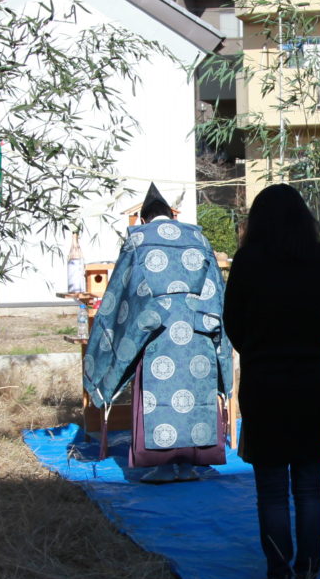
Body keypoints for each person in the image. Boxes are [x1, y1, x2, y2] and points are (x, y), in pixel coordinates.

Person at [223, 185, 320, 579]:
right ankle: (309, 575)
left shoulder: (248, 261)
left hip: (264, 383)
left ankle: (278, 575)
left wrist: (259, 348)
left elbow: (233, 324)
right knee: (310, 485)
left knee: (272, 489)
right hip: (311, 381)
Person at [84, 185, 234, 483]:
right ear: (171, 216)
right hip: (198, 333)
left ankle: (162, 466)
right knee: (196, 396)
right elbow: (216, 290)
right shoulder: (199, 238)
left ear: (143, 219)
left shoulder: (138, 240)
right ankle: (191, 464)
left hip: (156, 332)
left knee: (159, 397)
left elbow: (122, 293)